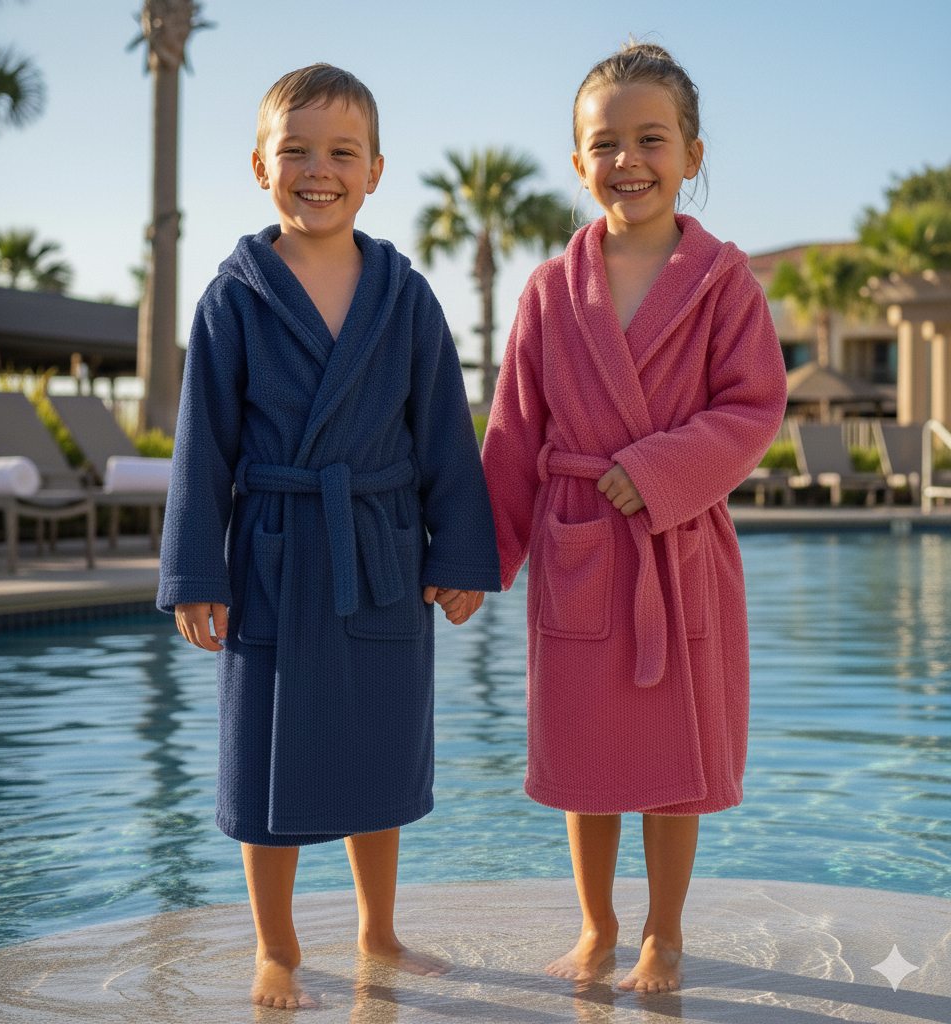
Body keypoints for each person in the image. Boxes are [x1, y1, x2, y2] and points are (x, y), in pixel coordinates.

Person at [157, 63, 499, 1010]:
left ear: (376, 170)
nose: (319, 170)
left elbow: (443, 429)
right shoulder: (234, 297)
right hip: (274, 550)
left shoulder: (406, 296)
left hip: (380, 552)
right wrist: (195, 570)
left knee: (375, 749)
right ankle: (277, 944)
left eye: (341, 152)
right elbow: (202, 445)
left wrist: (460, 551)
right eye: (296, 151)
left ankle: (378, 930)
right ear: (260, 164)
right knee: (267, 756)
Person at [481, 40, 788, 993]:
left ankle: (663, 931)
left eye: (652, 138)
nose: (629, 160)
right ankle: (598, 925)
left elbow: (754, 406)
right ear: (579, 163)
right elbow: (513, 432)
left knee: (672, 762)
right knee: (585, 755)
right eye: (605, 143)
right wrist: (475, 556)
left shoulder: (725, 282)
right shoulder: (547, 291)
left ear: (692, 154)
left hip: (676, 547)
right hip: (580, 548)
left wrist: (657, 470)